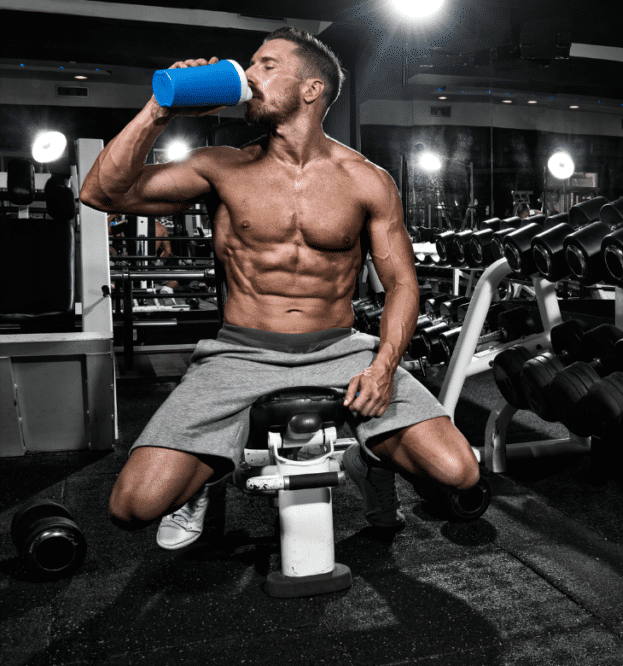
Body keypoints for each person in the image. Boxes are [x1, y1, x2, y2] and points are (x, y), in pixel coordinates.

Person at [80, 27, 480, 550]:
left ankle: (370, 458)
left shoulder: (366, 180)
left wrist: (383, 368)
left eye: (266, 65)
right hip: (239, 351)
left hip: (340, 347)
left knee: (458, 472)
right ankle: (210, 474)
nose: (248, 75)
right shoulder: (222, 166)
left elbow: (403, 283)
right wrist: (161, 108)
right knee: (132, 507)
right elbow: (100, 193)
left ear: (311, 90)